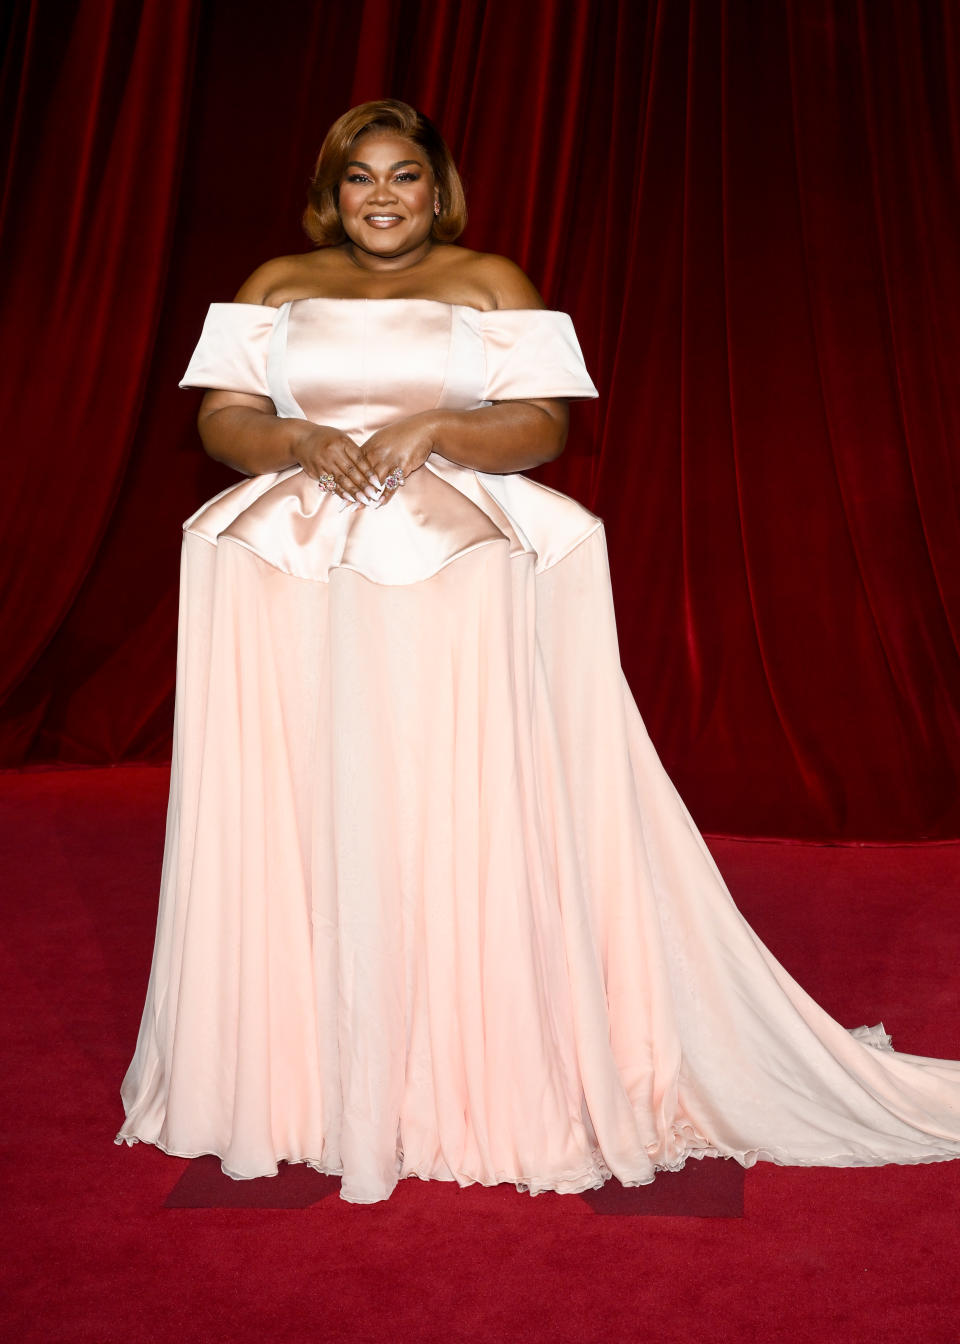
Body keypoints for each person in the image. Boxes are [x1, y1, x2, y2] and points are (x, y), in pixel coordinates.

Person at [115, 99, 960, 1205]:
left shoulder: (491, 279)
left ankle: (480, 1069)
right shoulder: (272, 283)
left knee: (452, 800)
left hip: (456, 575)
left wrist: (439, 429)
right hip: (295, 573)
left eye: (405, 176)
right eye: (360, 177)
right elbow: (222, 420)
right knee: (313, 797)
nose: (382, 197)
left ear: (437, 188)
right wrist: (294, 438)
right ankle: (306, 1077)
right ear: (332, 191)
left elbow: (545, 426)